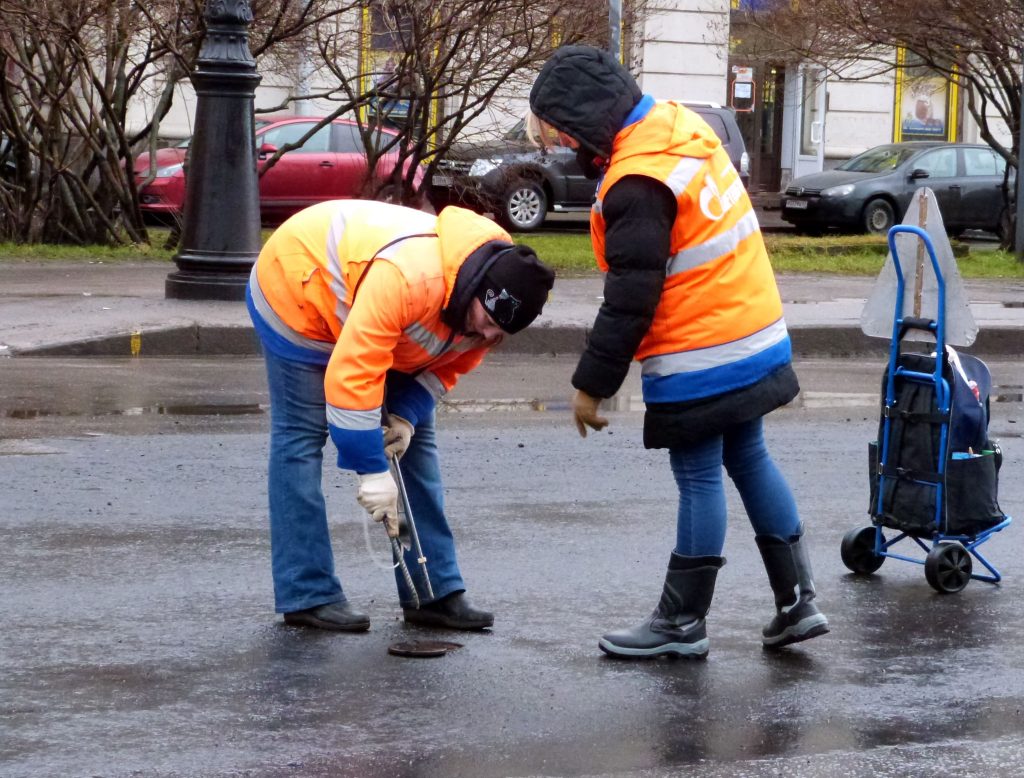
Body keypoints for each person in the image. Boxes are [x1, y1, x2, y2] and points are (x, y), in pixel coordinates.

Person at [529, 45, 828, 659]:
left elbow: (632, 296)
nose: (558, 142)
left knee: (698, 476)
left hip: (702, 346)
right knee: (749, 458)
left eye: (560, 128)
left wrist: (592, 385)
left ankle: (682, 623)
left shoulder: (637, 179)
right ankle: (798, 600)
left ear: (584, 119)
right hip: (753, 330)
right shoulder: (679, 125)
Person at [247, 199, 555, 632]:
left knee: (416, 442)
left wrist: (406, 416)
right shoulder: (409, 279)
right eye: (487, 322)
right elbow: (354, 373)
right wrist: (371, 470)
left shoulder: (488, 312)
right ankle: (308, 593)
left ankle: (432, 591)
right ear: (476, 288)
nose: (486, 337)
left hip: (375, 312)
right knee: (301, 436)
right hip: (298, 286)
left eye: (498, 335)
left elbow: (446, 367)